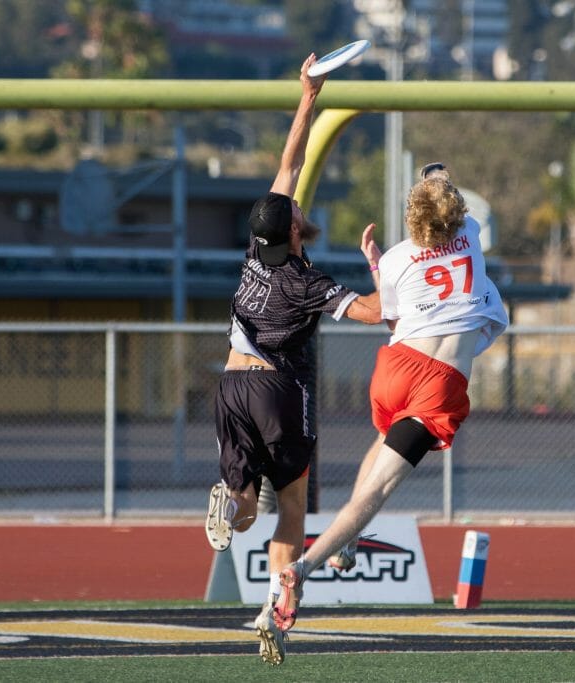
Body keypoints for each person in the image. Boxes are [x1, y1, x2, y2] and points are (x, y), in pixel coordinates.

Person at [273, 161, 509, 630]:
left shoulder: (399, 258)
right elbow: (448, 205)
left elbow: (392, 320)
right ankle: (302, 569)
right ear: (456, 213)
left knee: (382, 441)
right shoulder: (473, 231)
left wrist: (377, 264)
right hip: (438, 384)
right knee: (378, 490)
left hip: (395, 368)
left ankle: (349, 544)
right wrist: (437, 178)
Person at [204, 53, 382, 666]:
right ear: (295, 233)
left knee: (251, 508)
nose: (299, 205)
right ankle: (270, 607)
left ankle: (231, 502)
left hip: (229, 384)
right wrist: (390, 266)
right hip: (277, 392)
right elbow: (375, 313)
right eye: (298, 214)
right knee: (295, 506)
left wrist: (308, 95)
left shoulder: (257, 249)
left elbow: (289, 162)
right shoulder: (307, 282)